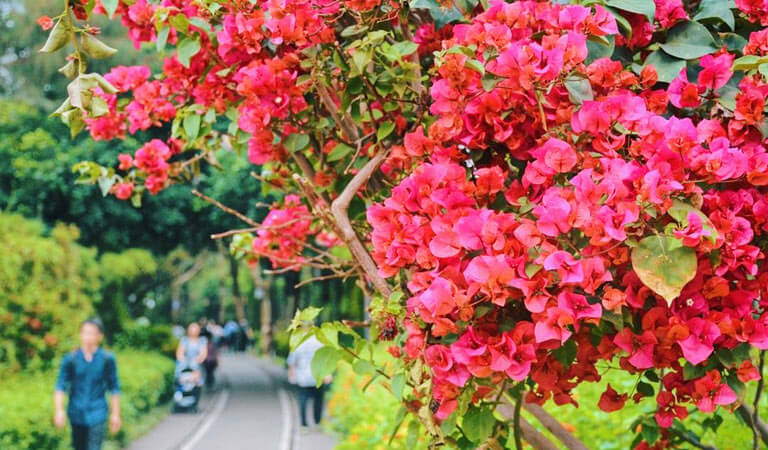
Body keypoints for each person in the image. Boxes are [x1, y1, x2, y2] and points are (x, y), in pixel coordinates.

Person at [54, 318, 121, 450]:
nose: (87, 336)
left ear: (99, 336)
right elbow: (60, 386)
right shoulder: (71, 359)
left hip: (98, 412)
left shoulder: (107, 359)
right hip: (76, 413)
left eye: (91, 333)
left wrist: (115, 414)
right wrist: (59, 410)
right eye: (84, 332)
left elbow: (114, 388)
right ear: (80, 334)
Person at [287, 335, 331, 429]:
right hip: (318, 376)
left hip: (303, 377)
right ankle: (317, 422)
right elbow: (326, 359)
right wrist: (328, 373)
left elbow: (292, 361)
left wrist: (291, 375)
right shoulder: (320, 341)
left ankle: (303, 424)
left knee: (303, 400)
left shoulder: (299, 342)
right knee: (318, 400)